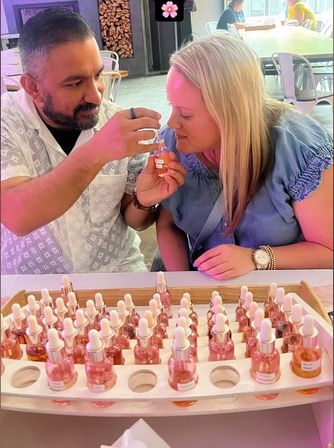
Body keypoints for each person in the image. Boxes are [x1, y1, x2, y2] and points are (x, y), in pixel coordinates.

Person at [0, 8, 183, 275]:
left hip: (116, 274)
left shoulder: (116, 121)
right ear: (33, 88)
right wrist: (98, 151)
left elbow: (133, 219)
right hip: (30, 287)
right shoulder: (7, 122)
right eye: (75, 84)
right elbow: (17, 217)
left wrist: (144, 201)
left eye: (97, 75)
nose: (96, 96)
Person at [135, 34, 333, 280]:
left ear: (229, 114)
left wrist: (256, 258)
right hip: (206, 290)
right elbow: (168, 223)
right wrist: (183, 283)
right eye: (171, 106)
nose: (172, 122)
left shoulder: (301, 149)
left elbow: (328, 251)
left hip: (281, 289)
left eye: (185, 114)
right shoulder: (172, 144)